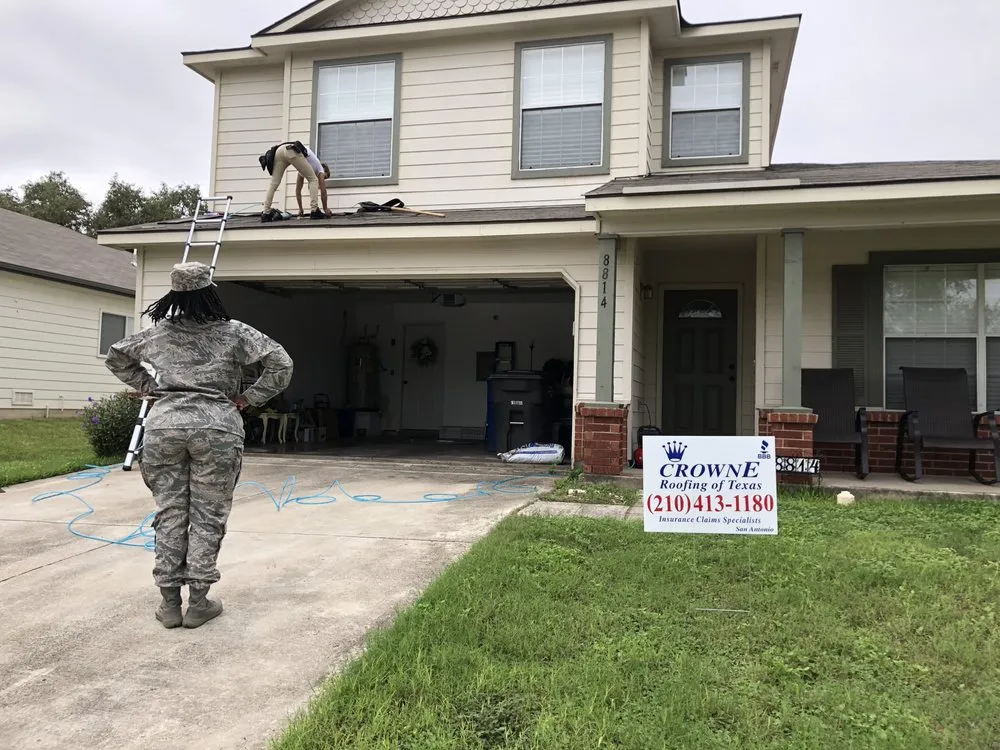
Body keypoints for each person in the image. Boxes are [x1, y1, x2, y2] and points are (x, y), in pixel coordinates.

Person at [105, 262, 293, 629]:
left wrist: (147, 386)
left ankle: (170, 603)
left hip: (165, 428)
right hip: (217, 428)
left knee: (170, 512)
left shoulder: (158, 334)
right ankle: (200, 603)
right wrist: (249, 398)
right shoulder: (235, 332)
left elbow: (116, 356)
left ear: (173, 295)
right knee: (208, 515)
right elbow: (281, 363)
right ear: (210, 292)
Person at [259, 140, 332, 222]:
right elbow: (323, 191)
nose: (322, 179)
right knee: (313, 180)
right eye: (325, 177)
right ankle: (314, 210)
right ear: (325, 171)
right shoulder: (320, 169)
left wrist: (300, 209)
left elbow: (298, 191)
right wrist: (325, 208)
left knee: (273, 184)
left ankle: (266, 213)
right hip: (292, 150)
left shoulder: (303, 168)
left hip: (279, 151)